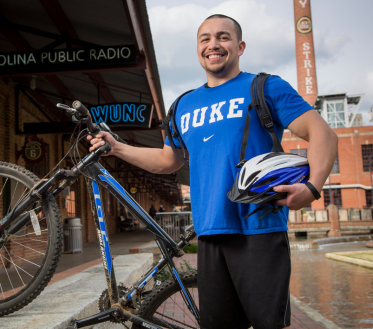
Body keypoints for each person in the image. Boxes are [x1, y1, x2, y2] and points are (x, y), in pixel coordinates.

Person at [88, 14, 337, 329]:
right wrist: (118, 147)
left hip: (258, 231)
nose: (213, 45)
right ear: (197, 48)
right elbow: (168, 160)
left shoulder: (264, 87)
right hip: (209, 234)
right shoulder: (182, 106)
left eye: (223, 36)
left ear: (239, 45)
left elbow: (323, 133)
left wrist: (313, 188)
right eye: (205, 38)